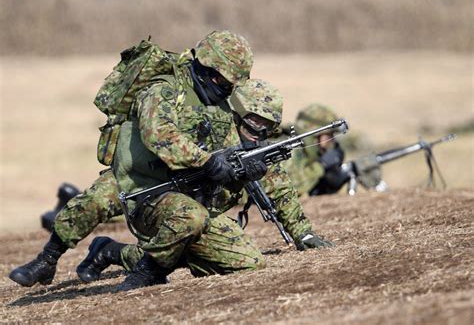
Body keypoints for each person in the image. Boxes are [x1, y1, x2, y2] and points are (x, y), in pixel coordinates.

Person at [9, 30, 254, 288]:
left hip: (178, 194)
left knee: (244, 260)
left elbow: (227, 159)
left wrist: (244, 170)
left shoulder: (222, 111)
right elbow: (159, 135)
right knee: (93, 202)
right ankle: (46, 260)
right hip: (134, 177)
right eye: (221, 80)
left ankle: (124, 255)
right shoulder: (164, 88)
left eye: (230, 85)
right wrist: (207, 162)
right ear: (204, 67)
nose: (225, 89)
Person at [76, 78, 333, 291]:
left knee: (248, 262)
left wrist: (303, 233)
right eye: (256, 123)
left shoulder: (254, 146)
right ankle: (138, 261)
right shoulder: (203, 128)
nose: (260, 132)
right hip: (167, 209)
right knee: (183, 229)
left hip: (205, 219)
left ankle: (113, 252)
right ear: (237, 113)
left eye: (268, 127)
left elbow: (280, 188)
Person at [282, 104, 349, 196]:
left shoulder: (306, 152)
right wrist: (322, 165)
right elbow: (289, 187)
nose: (332, 141)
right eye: (330, 135)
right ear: (316, 134)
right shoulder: (289, 149)